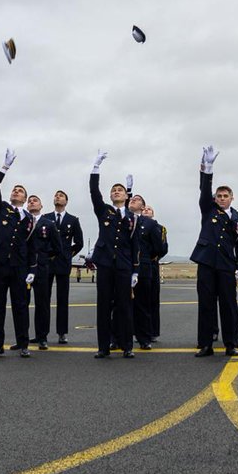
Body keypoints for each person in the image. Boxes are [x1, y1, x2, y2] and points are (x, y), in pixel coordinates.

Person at [189, 145, 238, 357]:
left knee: (229, 305)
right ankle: (205, 344)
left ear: (232, 198)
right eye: (219, 195)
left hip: (226, 265)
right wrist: (208, 168)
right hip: (206, 263)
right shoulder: (208, 209)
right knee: (206, 305)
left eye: (225, 195)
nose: (222, 198)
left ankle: (231, 343)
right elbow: (204, 191)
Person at [88, 151, 140, 359]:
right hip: (105, 264)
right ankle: (104, 346)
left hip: (124, 266)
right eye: (114, 190)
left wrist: (135, 270)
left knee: (125, 306)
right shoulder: (104, 212)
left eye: (120, 190)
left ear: (127, 195)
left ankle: (127, 345)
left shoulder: (132, 217)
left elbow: (135, 244)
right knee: (103, 306)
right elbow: (94, 192)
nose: (116, 192)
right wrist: (95, 168)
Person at [0, 149, 32, 359]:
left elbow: (32, 246)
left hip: (19, 266)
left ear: (26, 197)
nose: (16, 192)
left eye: (20, 191)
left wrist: (32, 268)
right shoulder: (2, 208)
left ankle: (23, 344)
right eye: (14, 189)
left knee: (21, 305)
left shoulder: (30, 218)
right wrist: (4, 168)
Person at [26, 194, 67, 350]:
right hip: (24, 267)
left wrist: (43, 257)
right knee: (22, 302)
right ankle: (23, 336)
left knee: (42, 303)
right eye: (29, 201)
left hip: (42, 267)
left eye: (35, 200)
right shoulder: (22, 222)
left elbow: (57, 248)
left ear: (41, 206)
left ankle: (42, 336)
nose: (32, 202)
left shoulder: (48, 224)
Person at [129, 194, 166, 349]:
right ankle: (121, 336)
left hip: (146, 267)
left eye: (138, 200)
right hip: (126, 267)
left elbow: (160, 248)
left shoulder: (153, 226)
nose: (133, 200)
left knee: (145, 303)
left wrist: (146, 259)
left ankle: (147, 335)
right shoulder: (127, 221)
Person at [48, 190, 84, 344]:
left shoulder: (73, 220)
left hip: (63, 263)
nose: (57, 197)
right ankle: (41, 333)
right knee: (43, 298)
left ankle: (62, 332)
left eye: (61, 196)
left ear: (66, 201)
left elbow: (79, 242)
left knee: (62, 299)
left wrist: (68, 253)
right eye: (56, 195)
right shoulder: (46, 218)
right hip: (47, 262)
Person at [141, 205, 167, 341]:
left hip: (151, 265)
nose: (146, 210)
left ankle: (152, 331)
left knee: (152, 299)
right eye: (144, 209)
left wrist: (150, 256)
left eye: (149, 209)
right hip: (137, 265)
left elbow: (162, 248)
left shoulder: (160, 228)